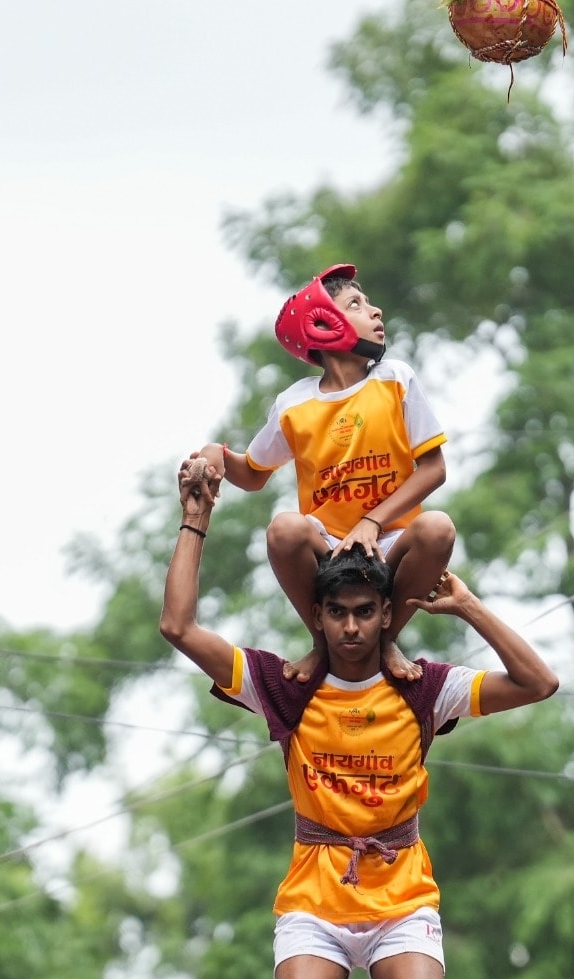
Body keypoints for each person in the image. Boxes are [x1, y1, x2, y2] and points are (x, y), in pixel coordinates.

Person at [160, 462, 558, 979]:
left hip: (401, 897)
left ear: (388, 615)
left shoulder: (421, 689)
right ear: (319, 615)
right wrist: (195, 520)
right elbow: (178, 630)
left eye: (364, 612)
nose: (349, 627)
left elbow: (539, 682)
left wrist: (469, 605)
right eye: (335, 612)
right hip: (314, 898)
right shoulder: (285, 685)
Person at [190, 263, 455, 683]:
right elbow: (253, 474)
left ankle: (386, 640)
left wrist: (372, 522)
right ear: (323, 325)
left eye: (368, 302)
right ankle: (321, 643)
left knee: (438, 527)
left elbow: (434, 469)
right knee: (284, 529)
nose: (376, 311)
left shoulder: (395, 379)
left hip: (391, 540)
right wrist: (215, 453)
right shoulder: (294, 404)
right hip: (329, 547)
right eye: (356, 304)